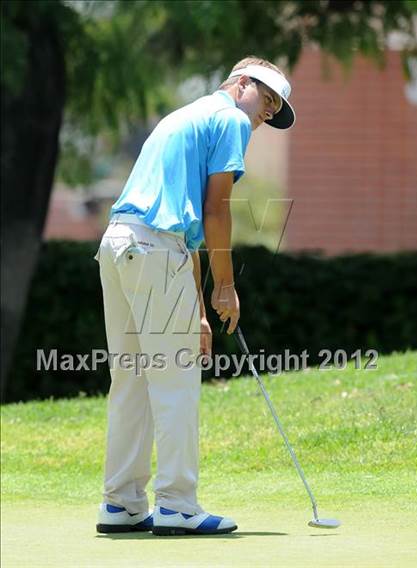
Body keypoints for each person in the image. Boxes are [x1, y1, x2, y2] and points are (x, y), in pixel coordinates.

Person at [94, 56, 296, 536]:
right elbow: (215, 210)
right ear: (242, 83)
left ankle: (121, 504)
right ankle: (178, 505)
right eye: (265, 98)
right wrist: (226, 286)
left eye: (274, 108)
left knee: (133, 382)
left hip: (120, 245)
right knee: (175, 381)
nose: (266, 113)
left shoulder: (185, 116)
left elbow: (185, 232)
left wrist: (201, 312)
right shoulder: (230, 118)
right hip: (155, 251)